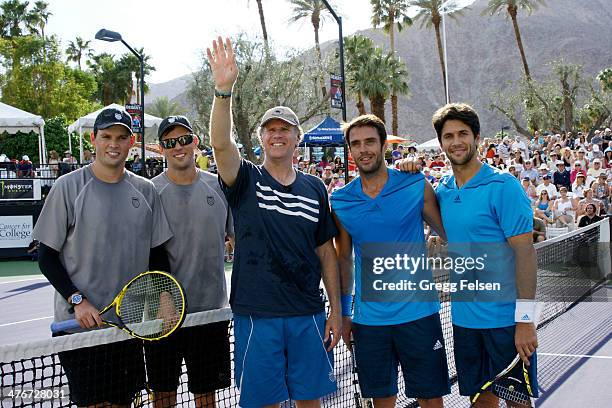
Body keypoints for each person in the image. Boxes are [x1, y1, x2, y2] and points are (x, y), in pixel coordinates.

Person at [207, 37, 341, 407]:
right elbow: (220, 144)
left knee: (310, 402)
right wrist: (223, 90)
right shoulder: (245, 179)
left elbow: (326, 254)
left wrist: (337, 311)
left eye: (285, 129)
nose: (277, 134)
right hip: (257, 316)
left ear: (297, 138)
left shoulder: (316, 188)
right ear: (261, 138)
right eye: (271, 129)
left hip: (309, 314)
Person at [400, 103, 538, 408]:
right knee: (480, 402)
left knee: (517, 403)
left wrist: (526, 321)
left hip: (505, 321)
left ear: (477, 137)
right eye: (448, 136)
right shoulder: (444, 190)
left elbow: (526, 255)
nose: (456, 141)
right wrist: (411, 168)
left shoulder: (504, 186)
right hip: (464, 322)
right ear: (441, 143)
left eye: (463, 133)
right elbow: (424, 204)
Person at [33, 107, 173, 407]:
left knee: (124, 403)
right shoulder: (67, 187)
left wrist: (163, 296)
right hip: (79, 328)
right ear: (93, 140)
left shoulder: (146, 191)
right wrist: (77, 300)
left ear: (131, 141)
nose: (114, 144)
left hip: (128, 327)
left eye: (121, 137)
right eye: (106, 136)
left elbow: (157, 254)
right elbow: (46, 257)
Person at [331, 114, 450, 408]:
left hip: (419, 315)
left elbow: (451, 233)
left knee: (430, 399)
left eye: (370, 141)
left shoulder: (414, 184)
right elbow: (343, 259)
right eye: (356, 144)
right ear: (350, 150)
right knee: (382, 402)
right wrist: (345, 313)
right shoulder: (341, 200)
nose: (364, 149)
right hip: (370, 323)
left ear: (384, 145)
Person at [144, 115, 233, 408]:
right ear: (161, 148)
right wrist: (163, 297)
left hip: (210, 314)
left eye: (184, 140)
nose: (178, 147)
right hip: (161, 319)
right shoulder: (149, 191)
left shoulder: (218, 186)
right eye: (170, 142)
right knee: (163, 396)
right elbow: (145, 253)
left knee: (207, 398)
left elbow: (236, 239)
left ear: (195, 142)